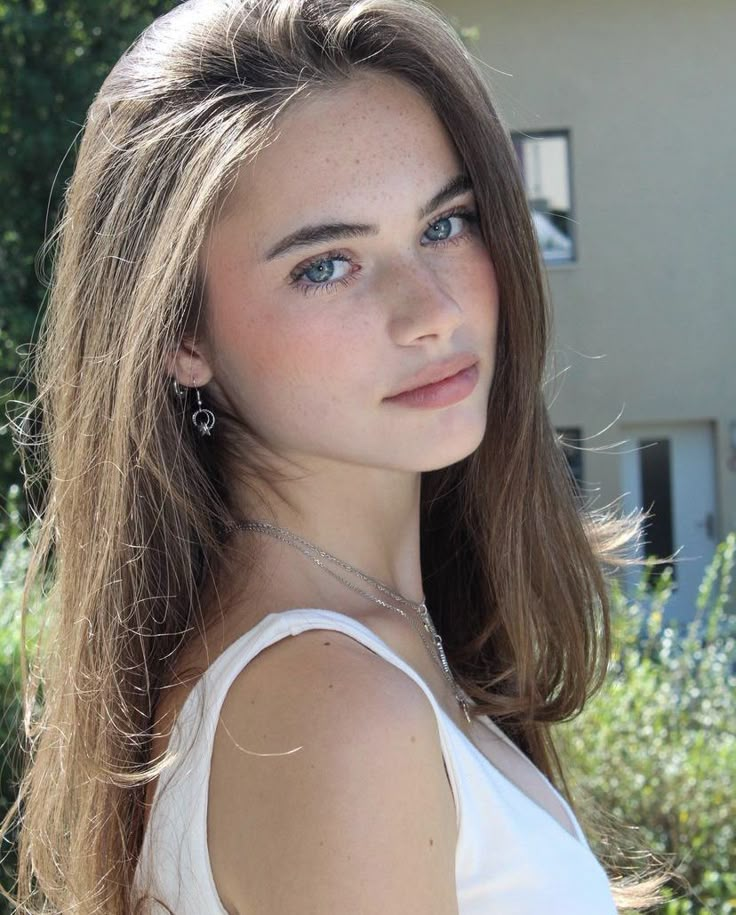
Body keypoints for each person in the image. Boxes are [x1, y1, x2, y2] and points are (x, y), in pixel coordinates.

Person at [2, 0, 674, 912]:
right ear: (180, 334)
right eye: (327, 264)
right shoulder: (335, 711)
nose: (431, 309)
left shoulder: (360, 655)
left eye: (446, 224)